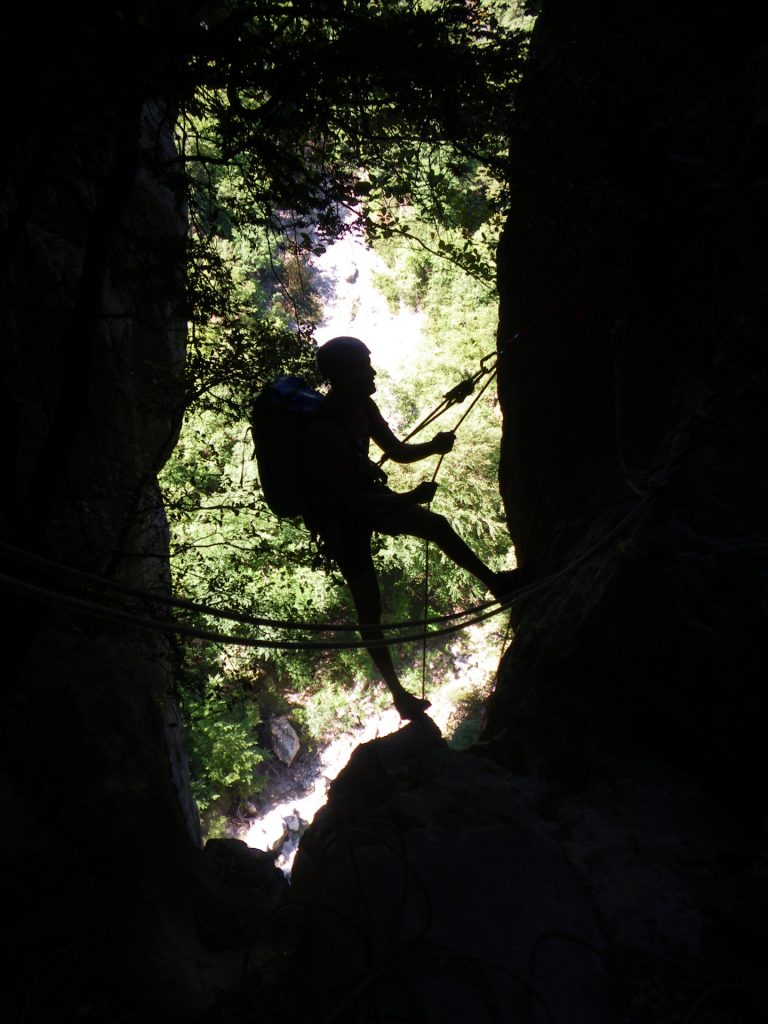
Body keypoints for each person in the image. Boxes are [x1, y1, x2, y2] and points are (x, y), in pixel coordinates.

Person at [302, 336, 517, 721]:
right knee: (370, 609)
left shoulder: (362, 406)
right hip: (340, 519)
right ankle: (399, 695)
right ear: (342, 375)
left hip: (363, 500)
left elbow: (397, 451)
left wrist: (432, 448)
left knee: (435, 525)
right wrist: (410, 498)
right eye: (364, 366)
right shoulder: (322, 431)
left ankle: (497, 583)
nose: (372, 371)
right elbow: (353, 505)